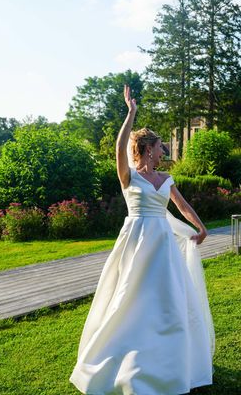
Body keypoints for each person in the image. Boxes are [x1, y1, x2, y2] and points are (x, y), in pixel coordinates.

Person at [70, 85, 214, 394]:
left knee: (166, 301)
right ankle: (123, 357)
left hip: (162, 244)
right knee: (129, 298)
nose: (165, 152)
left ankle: (168, 363)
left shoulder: (165, 179)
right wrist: (130, 113)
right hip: (136, 241)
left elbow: (183, 207)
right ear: (149, 149)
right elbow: (120, 145)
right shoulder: (129, 176)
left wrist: (201, 228)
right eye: (162, 147)